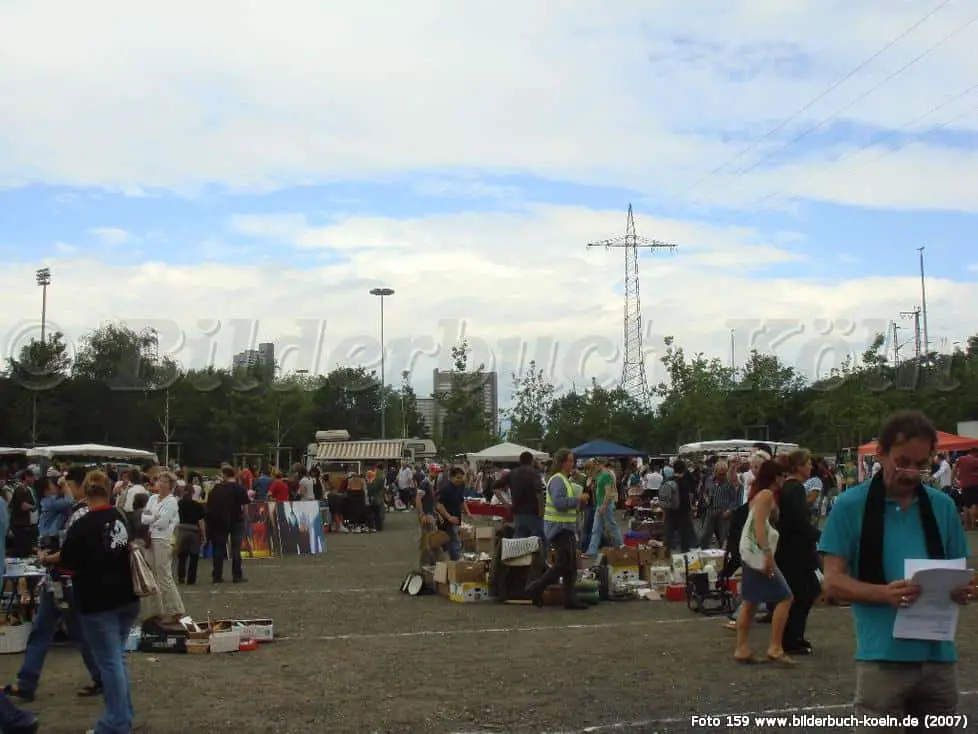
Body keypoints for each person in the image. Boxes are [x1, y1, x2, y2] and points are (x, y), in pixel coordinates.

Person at [820, 411, 973, 728]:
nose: (912, 473)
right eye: (902, 462)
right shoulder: (850, 506)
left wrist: (965, 588)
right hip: (882, 660)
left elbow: (960, 570)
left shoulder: (941, 506)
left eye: (922, 465)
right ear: (880, 453)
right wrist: (882, 593)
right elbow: (832, 582)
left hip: (939, 657)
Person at [4, 466, 103, 703]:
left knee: (76, 632)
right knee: (46, 630)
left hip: (67, 580)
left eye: (69, 485)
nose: (64, 489)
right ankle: (27, 682)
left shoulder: (81, 513)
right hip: (56, 580)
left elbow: (70, 551)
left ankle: (102, 676)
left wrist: (47, 557)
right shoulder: (71, 510)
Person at [58, 470, 140, 734]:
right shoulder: (120, 517)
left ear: (84, 491)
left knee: (110, 662)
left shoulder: (81, 526)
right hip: (127, 597)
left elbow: (67, 567)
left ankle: (115, 724)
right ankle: (122, 716)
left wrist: (50, 559)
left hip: (98, 602)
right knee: (117, 659)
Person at [734, 458, 795, 665]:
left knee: (750, 602)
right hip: (758, 555)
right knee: (785, 597)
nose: (784, 480)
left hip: (750, 554)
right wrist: (768, 553)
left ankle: (742, 648)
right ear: (775, 477)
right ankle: (775, 646)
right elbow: (759, 526)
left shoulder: (756, 495)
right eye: (782, 476)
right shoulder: (767, 495)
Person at [524, 449, 590, 610]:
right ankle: (536, 587)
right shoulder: (558, 480)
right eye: (571, 461)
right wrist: (578, 499)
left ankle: (569, 599)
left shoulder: (562, 479)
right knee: (564, 565)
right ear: (563, 462)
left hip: (564, 527)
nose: (573, 464)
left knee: (570, 565)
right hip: (559, 528)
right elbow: (560, 503)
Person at [776, 450, 821, 655]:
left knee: (806, 591)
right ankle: (791, 638)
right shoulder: (795, 489)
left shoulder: (792, 488)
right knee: (803, 593)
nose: (810, 467)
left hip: (793, 548)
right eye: (808, 463)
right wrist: (818, 535)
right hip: (795, 550)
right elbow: (799, 522)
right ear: (799, 466)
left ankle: (795, 636)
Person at [141, 472, 185, 617]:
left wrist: (152, 518)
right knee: (151, 576)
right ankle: (156, 611)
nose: (162, 483)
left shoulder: (172, 501)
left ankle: (176, 610)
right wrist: (155, 517)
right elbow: (144, 518)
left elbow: (163, 522)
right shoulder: (152, 498)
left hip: (163, 539)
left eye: (166, 481)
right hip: (150, 539)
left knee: (164, 576)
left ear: (171, 486)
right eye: (160, 480)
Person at [206, 466, 249, 583]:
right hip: (236, 520)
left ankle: (217, 575)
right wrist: (245, 519)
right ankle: (237, 575)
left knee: (219, 548)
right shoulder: (240, 488)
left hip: (221, 521)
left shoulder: (217, 489)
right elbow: (245, 507)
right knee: (236, 548)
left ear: (225, 475)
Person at [492, 451, 544, 540]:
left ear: (520, 461)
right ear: (531, 461)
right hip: (533, 513)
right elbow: (539, 494)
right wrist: (541, 511)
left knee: (519, 544)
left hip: (518, 514)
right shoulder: (535, 474)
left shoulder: (512, 473)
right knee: (537, 543)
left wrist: (506, 503)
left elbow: (495, 486)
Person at [583, 459, 623, 557]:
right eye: (594, 464)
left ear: (601, 464)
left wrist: (604, 505)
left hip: (605, 505)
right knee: (596, 528)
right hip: (600, 505)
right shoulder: (600, 475)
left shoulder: (606, 475)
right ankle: (592, 550)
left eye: (596, 464)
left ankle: (621, 545)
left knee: (611, 526)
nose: (595, 466)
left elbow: (608, 492)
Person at [176, 485, 206, 585]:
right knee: (194, 556)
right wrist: (203, 535)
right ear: (193, 493)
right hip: (194, 531)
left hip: (182, 530)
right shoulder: (197, 506)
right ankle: (191, 579)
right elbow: (201, 522)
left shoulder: (178, 504)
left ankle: (181, 577)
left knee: (182, 556)